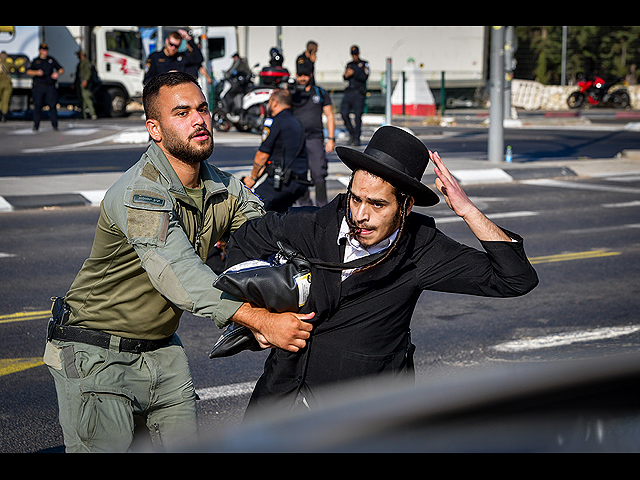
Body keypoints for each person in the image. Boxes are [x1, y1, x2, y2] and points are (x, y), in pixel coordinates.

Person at [43, 72, 313, 453]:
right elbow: (178, 273)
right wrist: (259, 318)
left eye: (202, 109)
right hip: (96, 353)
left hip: (162, 351)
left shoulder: (224, 187)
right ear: (155, 129)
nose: (199, 120)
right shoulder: (141, 192)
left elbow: (270, 236)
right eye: (182, 113)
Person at [223, 125, 539, 415]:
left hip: (367, 414)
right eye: (355, 198)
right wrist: (260, 319)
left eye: (377, 204)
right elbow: (242, 243)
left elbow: (516, 278)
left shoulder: (421, 247)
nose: (360, 215)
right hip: (282, 401)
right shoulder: (307, 226)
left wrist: (467, 210)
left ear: (407, 206)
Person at [243, 89, 310, 213]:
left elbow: (262, 155)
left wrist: (252, 179)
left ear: (274, 103)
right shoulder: (297, 122)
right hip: (299, 182)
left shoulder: (275, 122)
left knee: (250, 209)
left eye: (269, 102)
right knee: (277, 218)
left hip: (282, 183)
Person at [292, 61, 335, 207]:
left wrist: (331, 138)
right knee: (298, 175)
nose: (302, 78)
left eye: (305, 75)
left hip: (315, 139)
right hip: (296, 141)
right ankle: (306, 207)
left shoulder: (320, 92)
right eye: (300, 75)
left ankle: (322, 207)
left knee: (319, 174)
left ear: (310, 75)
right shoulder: (292, 93)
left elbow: (329, 115)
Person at [27, 43, 64, 131]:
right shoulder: (36, 61)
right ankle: (36, 125)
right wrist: (37, 73)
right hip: (39, 86)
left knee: (52, 106)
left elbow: (61, 69)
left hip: (50, 86)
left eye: (46, 50)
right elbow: (28, 71)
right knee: (38, 106)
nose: (45, 52)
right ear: (40, 51)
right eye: (43, 50)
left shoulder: (51, 60)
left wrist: (57, 74)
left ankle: (55, 125)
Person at [340, 45, 369, 146]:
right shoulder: (349, 64)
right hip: (349, 92)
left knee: (357, 117)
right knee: (344, 113)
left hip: (359, 93)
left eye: (355, 54)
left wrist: (354, 73)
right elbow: (345, 77)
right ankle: (351, 133)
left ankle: (357, 137)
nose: (354, 56)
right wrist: (347, 75)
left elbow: (365, 76)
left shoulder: (364, 64)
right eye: (352, 54)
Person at [75, 50, 97, 120]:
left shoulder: (86, 62)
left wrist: (86, 81)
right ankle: (83, 114)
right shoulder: (80, 63)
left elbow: (88, 73)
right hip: (80, 83)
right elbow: (77, 75)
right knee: (82, 99)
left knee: (87, 98)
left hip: (85, 83)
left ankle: (93, 113)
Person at [0, 51, 12, 122]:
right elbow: (17, 66)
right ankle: (4, 116)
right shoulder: (8, 65)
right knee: (5, 100)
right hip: (7, 83)